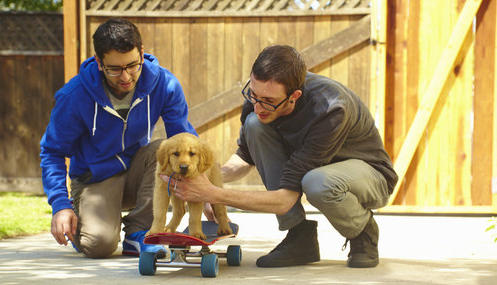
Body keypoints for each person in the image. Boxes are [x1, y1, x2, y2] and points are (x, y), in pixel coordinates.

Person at [164, 45, 398, 268]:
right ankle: (299, 237)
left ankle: (363, 231)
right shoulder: (259, 98)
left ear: (294, 96)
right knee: (255, 125)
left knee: (317, 182)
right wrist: (206, 178)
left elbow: (285, 199)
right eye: (253, 95)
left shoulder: (331, 109)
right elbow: (245, 159)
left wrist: (214, 194)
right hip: (315, 167)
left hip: (370, 175)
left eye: (269, 101)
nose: (257, 105)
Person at [40, 18, 197, 259]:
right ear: (98, 61)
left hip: (138, 172)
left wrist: (205, 190)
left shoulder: (164, 84)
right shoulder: (75, 95)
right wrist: (60, 205)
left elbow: (184, 140)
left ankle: (139, 232)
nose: (125, 77)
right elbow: (52, 152)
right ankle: (83, 218)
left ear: (142, 54)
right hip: (95, 179)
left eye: (132, 65)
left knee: (163, 150)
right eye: (114, 69)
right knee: (99, 246)